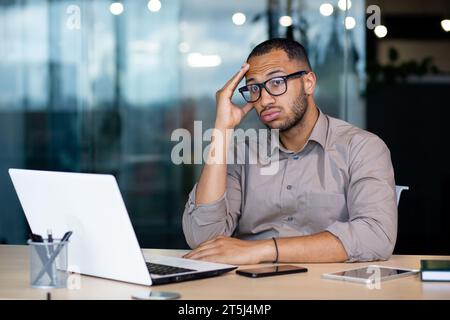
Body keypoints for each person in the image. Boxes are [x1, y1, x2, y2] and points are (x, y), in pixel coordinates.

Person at [182, 38, 397, 265]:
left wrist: (264, 250)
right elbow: (203, 239)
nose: (264, 100)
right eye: (254, 88)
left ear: (308, 83)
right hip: (251, 289)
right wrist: (222, 129)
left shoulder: (361, 148)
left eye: (276, 82)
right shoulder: (243, 153)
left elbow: (376, 236)